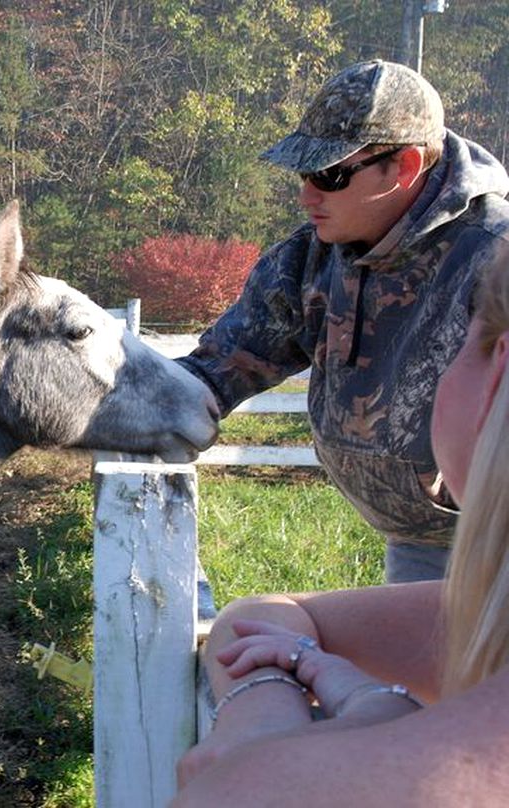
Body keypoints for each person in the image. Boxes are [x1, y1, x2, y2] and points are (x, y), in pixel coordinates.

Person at [172, 254, 509, 804]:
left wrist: (264, 740)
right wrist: (370, 700)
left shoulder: (272, 791)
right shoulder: (485, 609)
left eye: (454, 350)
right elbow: (260, 618)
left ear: (498, 374)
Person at [178, 59, 509, 583]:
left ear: (403, 167)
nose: (308, 195)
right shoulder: (309, 260)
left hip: (495, 547)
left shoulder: (495, 260)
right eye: (304, 174)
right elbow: (216, 369)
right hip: (414, 539)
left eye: (330, 175)